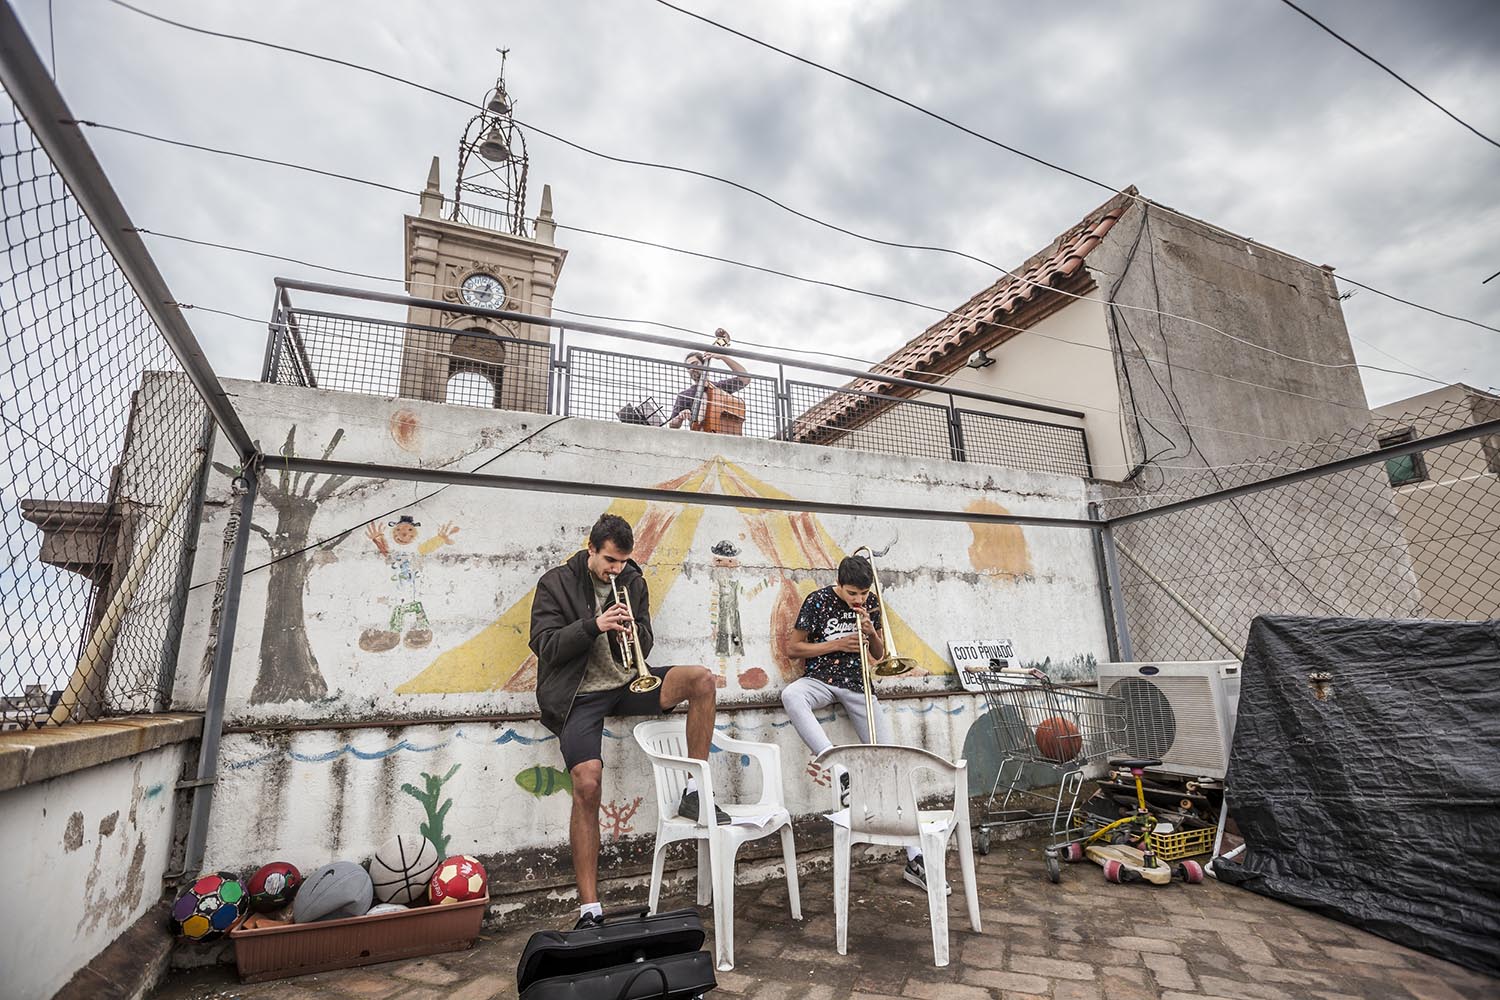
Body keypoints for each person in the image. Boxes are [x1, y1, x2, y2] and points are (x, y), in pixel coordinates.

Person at [529, 513, 723, 929]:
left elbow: (647, 638)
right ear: (591, 550)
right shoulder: (555, 584)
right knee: (586, 784)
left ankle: (694, 791)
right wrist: (593, 625)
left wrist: (635, 635)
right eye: (610, 561)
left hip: (629, 684)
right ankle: (590, 909)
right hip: (578, 696)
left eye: (622, 562)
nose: (617, 570)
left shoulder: (633, 581)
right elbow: (544, 646)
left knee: (702, 680)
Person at [780, 554, 946, 895]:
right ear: (839, 585)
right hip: (822, 680)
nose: (859, 600)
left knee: (891, 764)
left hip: (858, 685)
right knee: (792, 696)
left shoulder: (871, 604)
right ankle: (836, 765)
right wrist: (836, 644)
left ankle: (915, 859)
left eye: (863, 594)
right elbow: (793, 648)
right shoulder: (818, 601)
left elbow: (881, 655)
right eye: (853, 593)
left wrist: (871, 631)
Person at [666, 347, 749, 429]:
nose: (692, 369)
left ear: (704, 364)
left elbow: (745, 379)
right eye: (688, 367)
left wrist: (723, 357)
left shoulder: (719, 388)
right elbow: (672, 425)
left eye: (695, 364)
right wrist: (680, 417)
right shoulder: (684, 395)